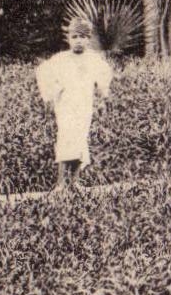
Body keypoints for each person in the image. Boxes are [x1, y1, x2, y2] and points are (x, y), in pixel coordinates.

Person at [35, 16, 113, 191]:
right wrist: (53, 92)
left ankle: (75, 181)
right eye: (75, 37)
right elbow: (44, 73)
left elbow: (104, 76)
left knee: (80, 139)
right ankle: (61, 183)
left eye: (83, 37)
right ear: (69, 38)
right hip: (66, 106)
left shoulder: (93, 60)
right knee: (66, 138)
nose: (78, 41)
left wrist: (102, 95)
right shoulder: (61, 59)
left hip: (84, 105)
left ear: (89, 39)